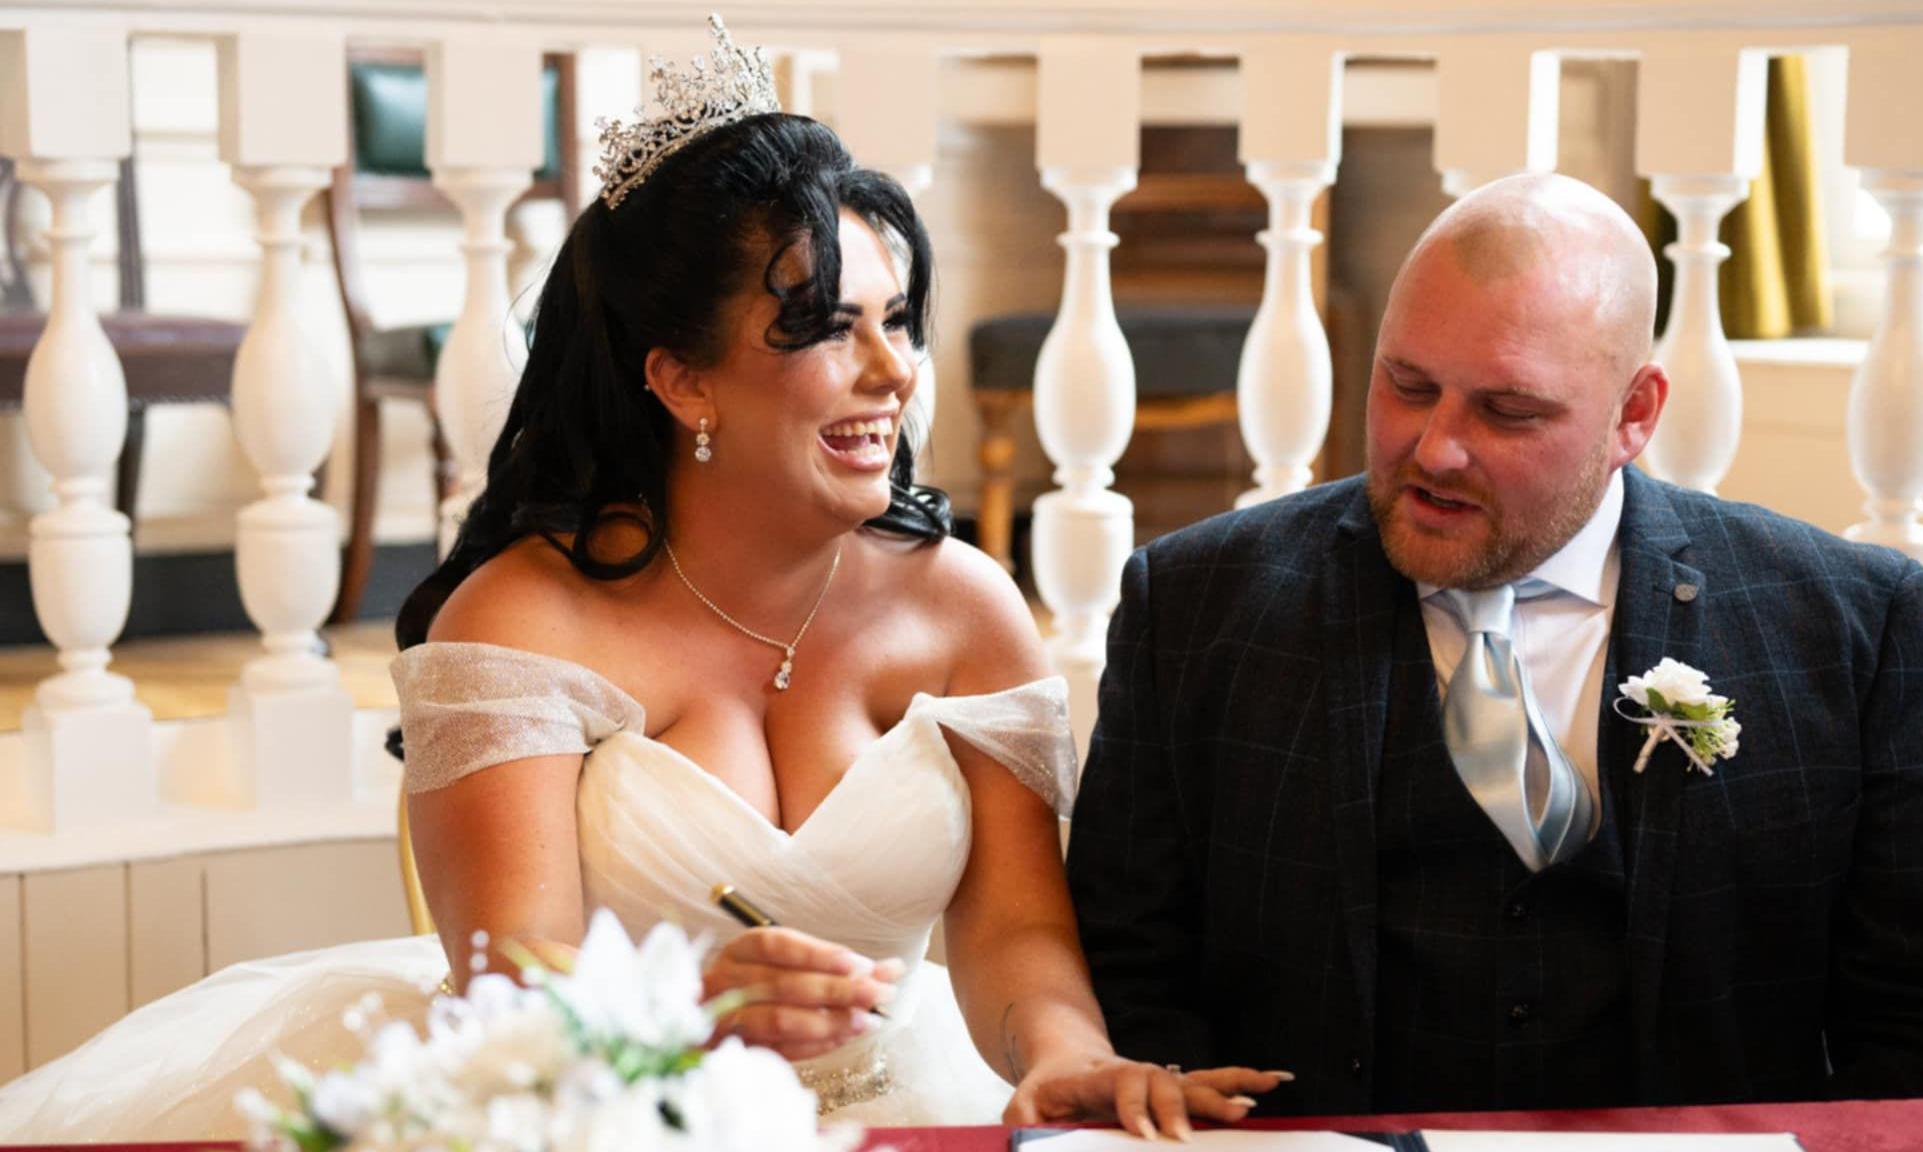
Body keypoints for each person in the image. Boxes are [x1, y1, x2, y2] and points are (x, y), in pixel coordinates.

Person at [0, 25, 1279, 1139]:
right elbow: (510, 991)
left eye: (898, 321)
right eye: (826, 329)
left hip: (909, 1103)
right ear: (680, 380)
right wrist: (690, 1018)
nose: (891, 372)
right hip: (600, 1115)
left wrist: (1060, 1052)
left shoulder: (963, 606)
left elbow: (1014, 935)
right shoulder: (520, 622)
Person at [1065, 171, 1923, 1115]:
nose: (1436, 447)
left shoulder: (1844, 621)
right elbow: (1126, 979)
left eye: (1508, 411)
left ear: (1634, 415)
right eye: (1407, 386)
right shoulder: (1193, 604)